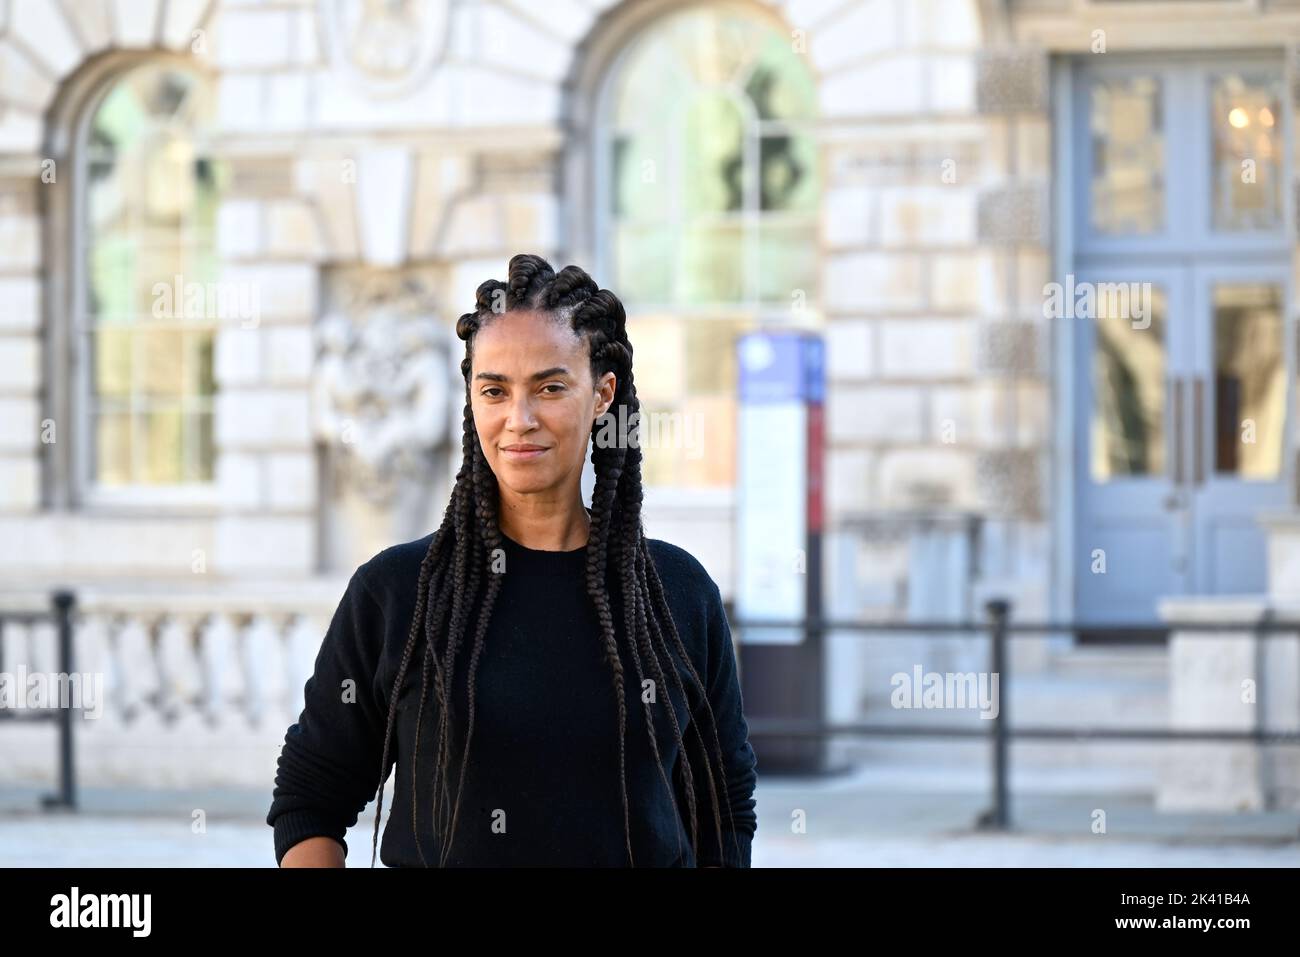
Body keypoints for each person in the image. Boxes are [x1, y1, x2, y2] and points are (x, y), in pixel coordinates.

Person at [267, 253, 758, 867]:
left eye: (550, 387)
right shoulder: (395, 594)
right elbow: (312, 797)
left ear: (602, 393)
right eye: (494, 390)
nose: (518, 420)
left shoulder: (678, 593)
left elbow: (726, 807)